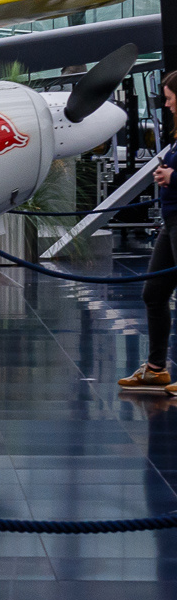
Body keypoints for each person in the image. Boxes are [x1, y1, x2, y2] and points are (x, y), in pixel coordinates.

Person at [120, 70, 177, 391]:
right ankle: (156, 369)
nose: (167, 105)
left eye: (169, 98)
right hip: (171, 223)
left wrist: (173, 177)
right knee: (154, 293)